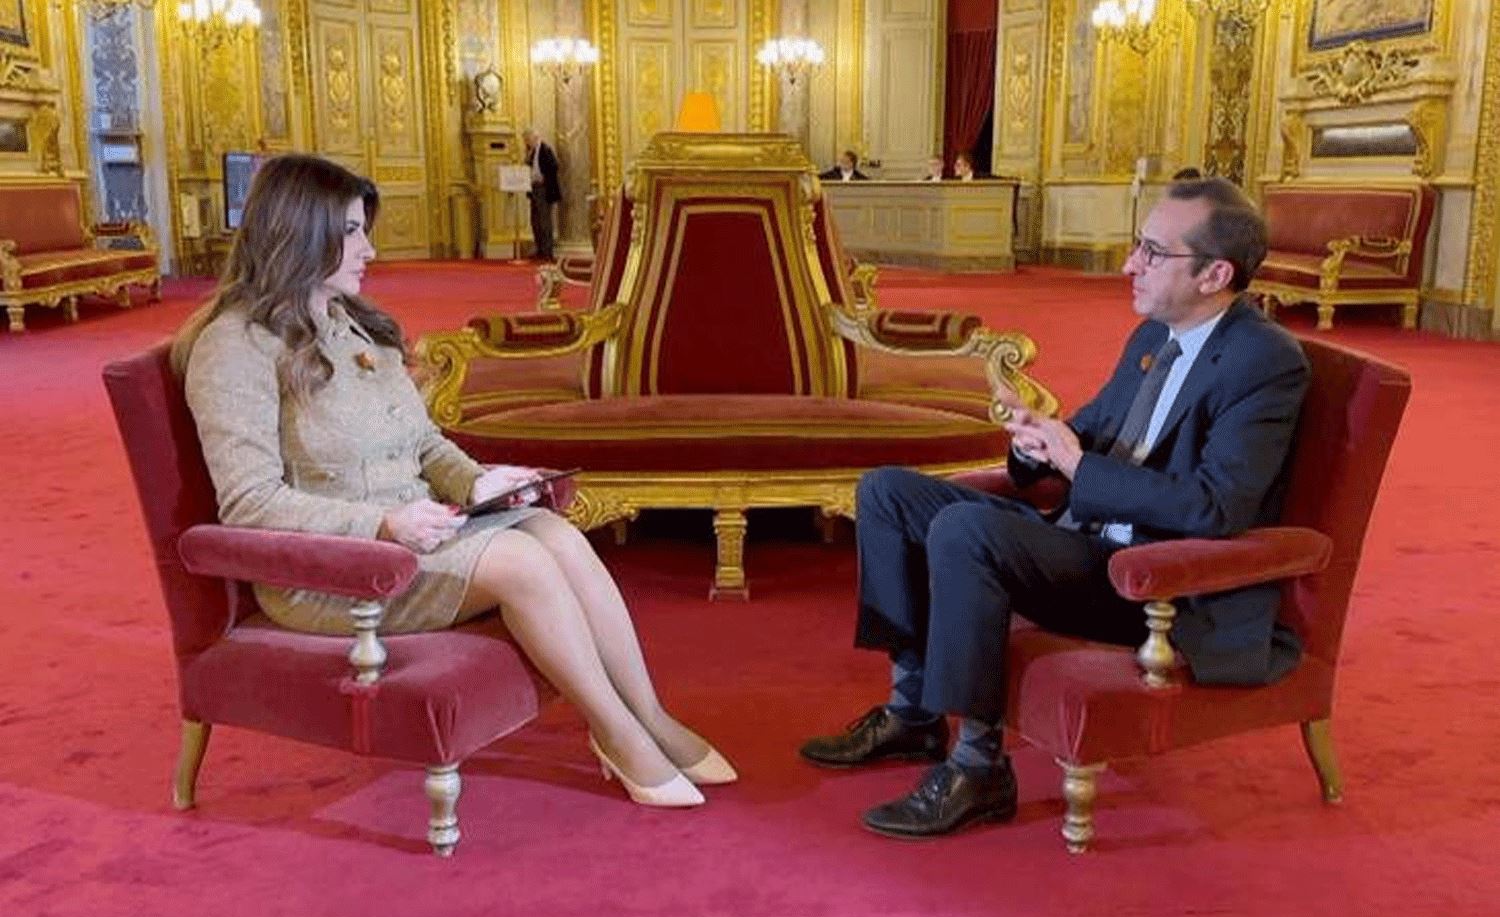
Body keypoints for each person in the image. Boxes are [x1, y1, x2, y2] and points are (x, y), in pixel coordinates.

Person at [171, 154, 734, 810]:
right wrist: (382, 525)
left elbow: (424, 443)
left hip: (417, 534)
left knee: (557, 532)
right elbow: (249, 502)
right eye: (351, 231)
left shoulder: (350, 322)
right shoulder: (233, 347)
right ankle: (617, 734)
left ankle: (650, 718)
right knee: (523, 560)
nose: (369, 248)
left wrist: (478, 483)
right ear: (298, 231)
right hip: (335, 571)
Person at [800, 176, 1310, 839]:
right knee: (887, 492)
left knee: (966, 529)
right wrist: (1037, 442)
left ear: (1216, 274)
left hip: (1149, 577)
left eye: (1153, 252)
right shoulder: (1154, 335)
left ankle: (979, 768)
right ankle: (912, 713)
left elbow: (1217, 506)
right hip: (1085, 538)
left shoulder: (1263, 361)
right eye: (1137, 245)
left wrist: (1076, 464)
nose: (1129, 264)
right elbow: (1087, 432)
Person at [522, 128, 561, 260]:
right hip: (533, 188)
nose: (526, 143)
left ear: (534, 138)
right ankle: (539, 248)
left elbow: (554, 166)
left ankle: (547, 251)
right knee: (535, 220)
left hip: (544, 189)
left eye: (527, 140)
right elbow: (528, 166)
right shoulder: (531, 152)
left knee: (544, 221)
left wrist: (545, 177)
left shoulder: (545, 149)